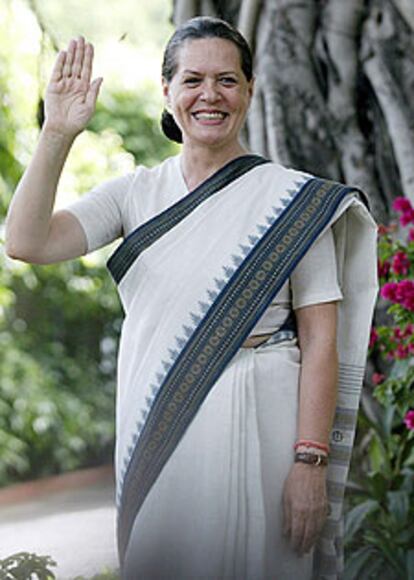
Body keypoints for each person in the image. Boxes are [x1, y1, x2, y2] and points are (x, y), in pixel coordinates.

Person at [5, 16, 378, 580]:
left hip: (270, 422)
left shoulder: (295, 203)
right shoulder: (134, 193)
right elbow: (26, 242)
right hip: (167, 425)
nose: (210, 95)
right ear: (168, 92)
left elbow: (321, 338)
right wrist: (57, 133)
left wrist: (309, 463)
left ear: (250, 90)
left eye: (227, 80)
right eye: (193, 79)